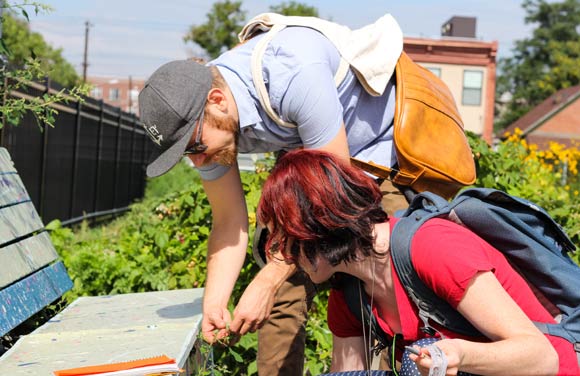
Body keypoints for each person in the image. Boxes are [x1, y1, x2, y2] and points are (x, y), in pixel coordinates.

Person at [138, 13, 414, 375]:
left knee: (385, 262)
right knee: (284, 282)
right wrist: (216, 301)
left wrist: (267, 281)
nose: (199, 160)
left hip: (375, 158)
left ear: (218, 100)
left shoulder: (294, 73)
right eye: (188, 154)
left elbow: (333, 197)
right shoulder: (207, 125)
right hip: (316, 165)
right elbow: (228, 221)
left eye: (197, 147)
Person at [256, 149, 579, 376]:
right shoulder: (349, 290)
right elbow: (349, 372)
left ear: (319, 224)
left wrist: (460, 354)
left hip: (547, 366)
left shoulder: (431, 246)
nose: (282, 254)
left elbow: (542, 357)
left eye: (285, 238)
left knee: (421, 356)